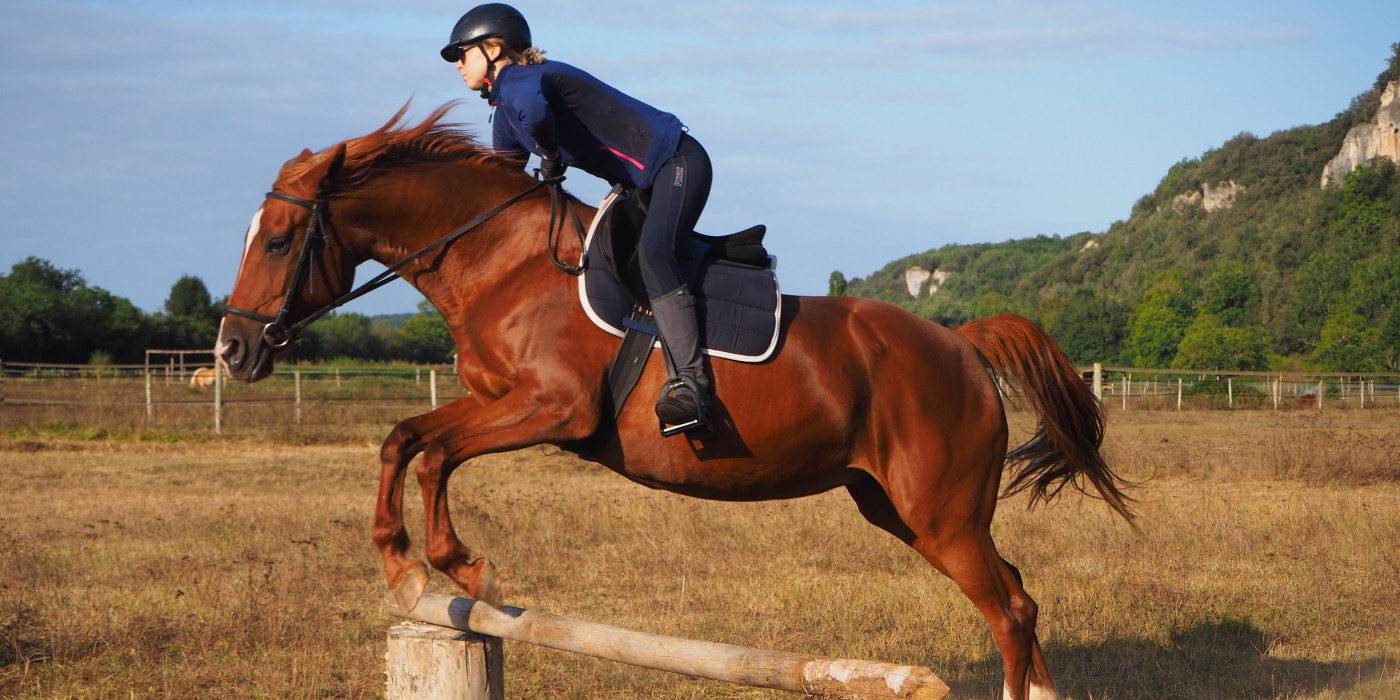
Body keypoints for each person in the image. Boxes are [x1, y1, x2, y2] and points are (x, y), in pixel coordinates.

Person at [442, 3, 714, 436]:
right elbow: (502, 182)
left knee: (655, 255)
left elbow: (535, 114)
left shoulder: (522, 80)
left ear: (494, 49)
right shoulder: (503, 114)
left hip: (677, 163)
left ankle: (692, 385)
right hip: (640, 186)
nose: (458, 64)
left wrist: (549, 154)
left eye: (464, 53)